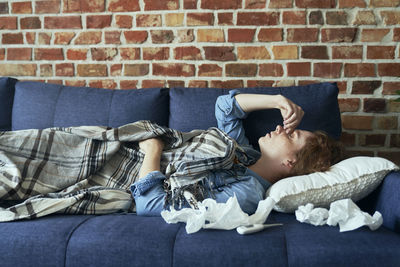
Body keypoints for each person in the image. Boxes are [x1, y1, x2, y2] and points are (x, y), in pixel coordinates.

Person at [131, 90, 343, 216]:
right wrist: (277, 100)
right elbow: (225, 107)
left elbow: (150, 205)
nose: (280, 128)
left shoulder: (247, 193)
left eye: (290, 136)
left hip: (140, 161)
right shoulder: (244, 153)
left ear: (290, 162)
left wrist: (153, 150)